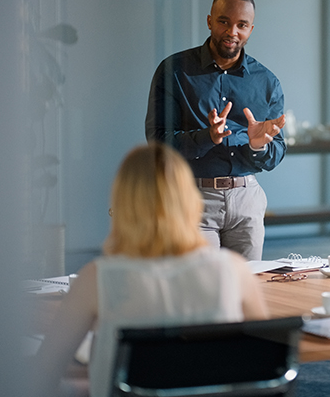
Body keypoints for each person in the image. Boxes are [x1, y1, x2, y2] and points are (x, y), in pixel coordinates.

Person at [32, 143, 269, 397]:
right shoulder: (235, 271)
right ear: (190, 200)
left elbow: (44, 372)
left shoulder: (96, 278)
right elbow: (267, 361)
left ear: (123, 205)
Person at [145, 0, 286, 260]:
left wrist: (258, 147)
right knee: (202, 290)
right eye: (224, 22)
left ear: (251, 29)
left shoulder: (266, 82)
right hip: (193, 198)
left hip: (247, 198)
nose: (232, 32)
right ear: (210, 21)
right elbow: (158, 140)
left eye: (241, 25)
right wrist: (207, 137)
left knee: (246, 289)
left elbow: (277, 151)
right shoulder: (174, 70)